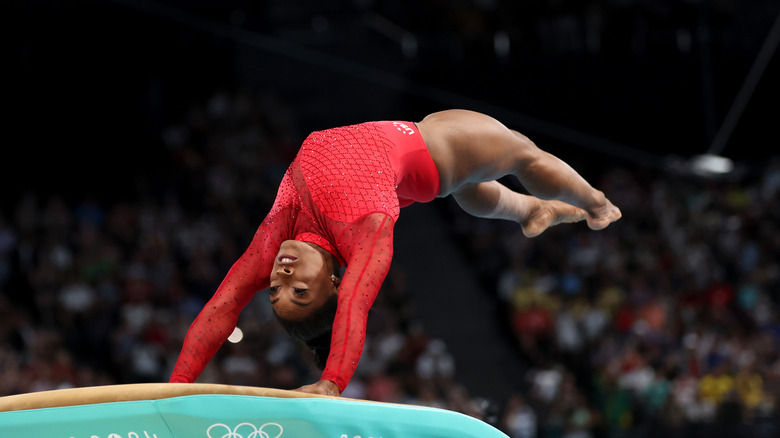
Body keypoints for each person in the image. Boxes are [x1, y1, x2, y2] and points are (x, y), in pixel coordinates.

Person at [169, 109, 621, 396]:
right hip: (431, 149)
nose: (281, 274)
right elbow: (355, 306)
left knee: (470, 187)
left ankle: (530, 212)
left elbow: (223, 305)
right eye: (299, 290)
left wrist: (174, 385)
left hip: (405, 169)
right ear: (331, 282)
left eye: (275, 288)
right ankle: (599, 204)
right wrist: (331, 383)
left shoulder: (275, 236)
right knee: (523, 152)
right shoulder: (366, 232)